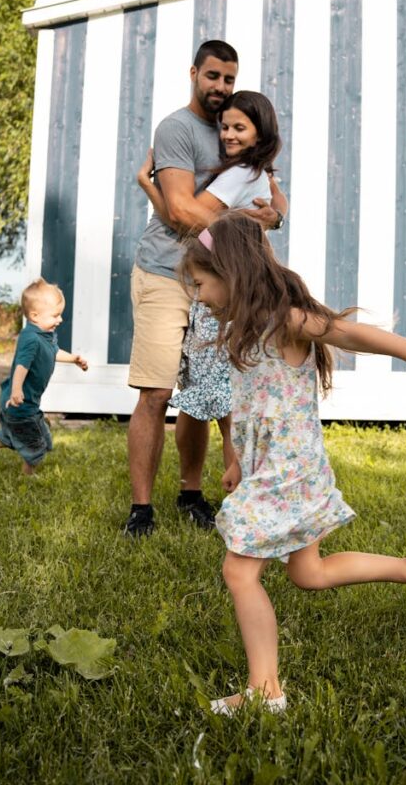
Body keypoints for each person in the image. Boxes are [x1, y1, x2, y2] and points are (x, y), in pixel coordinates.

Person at [179, 212, 406, 714]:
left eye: (202, 283)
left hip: (289, 471)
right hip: (276, 469)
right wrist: (235, 460)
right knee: (309, 573)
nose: (199, 295)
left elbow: (346, 334)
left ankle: (265, 693)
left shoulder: (284, 318)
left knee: (239, 571)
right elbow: (248, 404)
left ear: (230, 271)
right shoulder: (247, 330)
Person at [125, 42, 287, 539]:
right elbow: (179, 211)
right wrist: (245, 225)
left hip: (219, 283)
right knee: (156, 391)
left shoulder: (234, 128)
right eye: (212, 76)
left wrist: (274, 215)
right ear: (194, 72)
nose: (220, 87)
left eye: (229, 79)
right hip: (164, 273)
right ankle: (141, 510)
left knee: (211, 393)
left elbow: (272, 196)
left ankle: (191, 493)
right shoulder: (176, 129)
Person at [0, 278, 88, 476]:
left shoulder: (43, 335)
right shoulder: (30, 338)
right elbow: (22, 365)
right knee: (34, 441)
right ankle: (27, 477)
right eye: (56, 315)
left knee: (6, 437)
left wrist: (74, 359)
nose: (60, 320)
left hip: (20, 402)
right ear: (35, 315)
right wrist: (17, 389)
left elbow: (53, 351)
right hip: (20, 402)